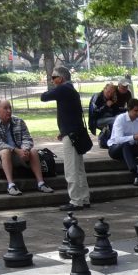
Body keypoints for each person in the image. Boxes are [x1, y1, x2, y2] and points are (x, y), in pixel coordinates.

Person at [40, 66, 91, 211]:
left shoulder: (63, 89)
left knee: (71, 169)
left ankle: (75, 200)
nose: (52, 80)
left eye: (53, 77)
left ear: (60, 78)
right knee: (79, 169)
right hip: (74, 132)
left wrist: (65, 131)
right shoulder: (71, 90)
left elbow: (44, 97)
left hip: (71, 135)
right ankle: (84, 198)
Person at [0, 99, 53, 196]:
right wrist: (16, 150)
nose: (9, 111)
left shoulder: (19, 121)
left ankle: (41, 183)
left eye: (10, 108)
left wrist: (25, 149)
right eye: (5, 108)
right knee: (5, 151)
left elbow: (27, 138)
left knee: (33, 151)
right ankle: (11, 185)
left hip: (18, 154)